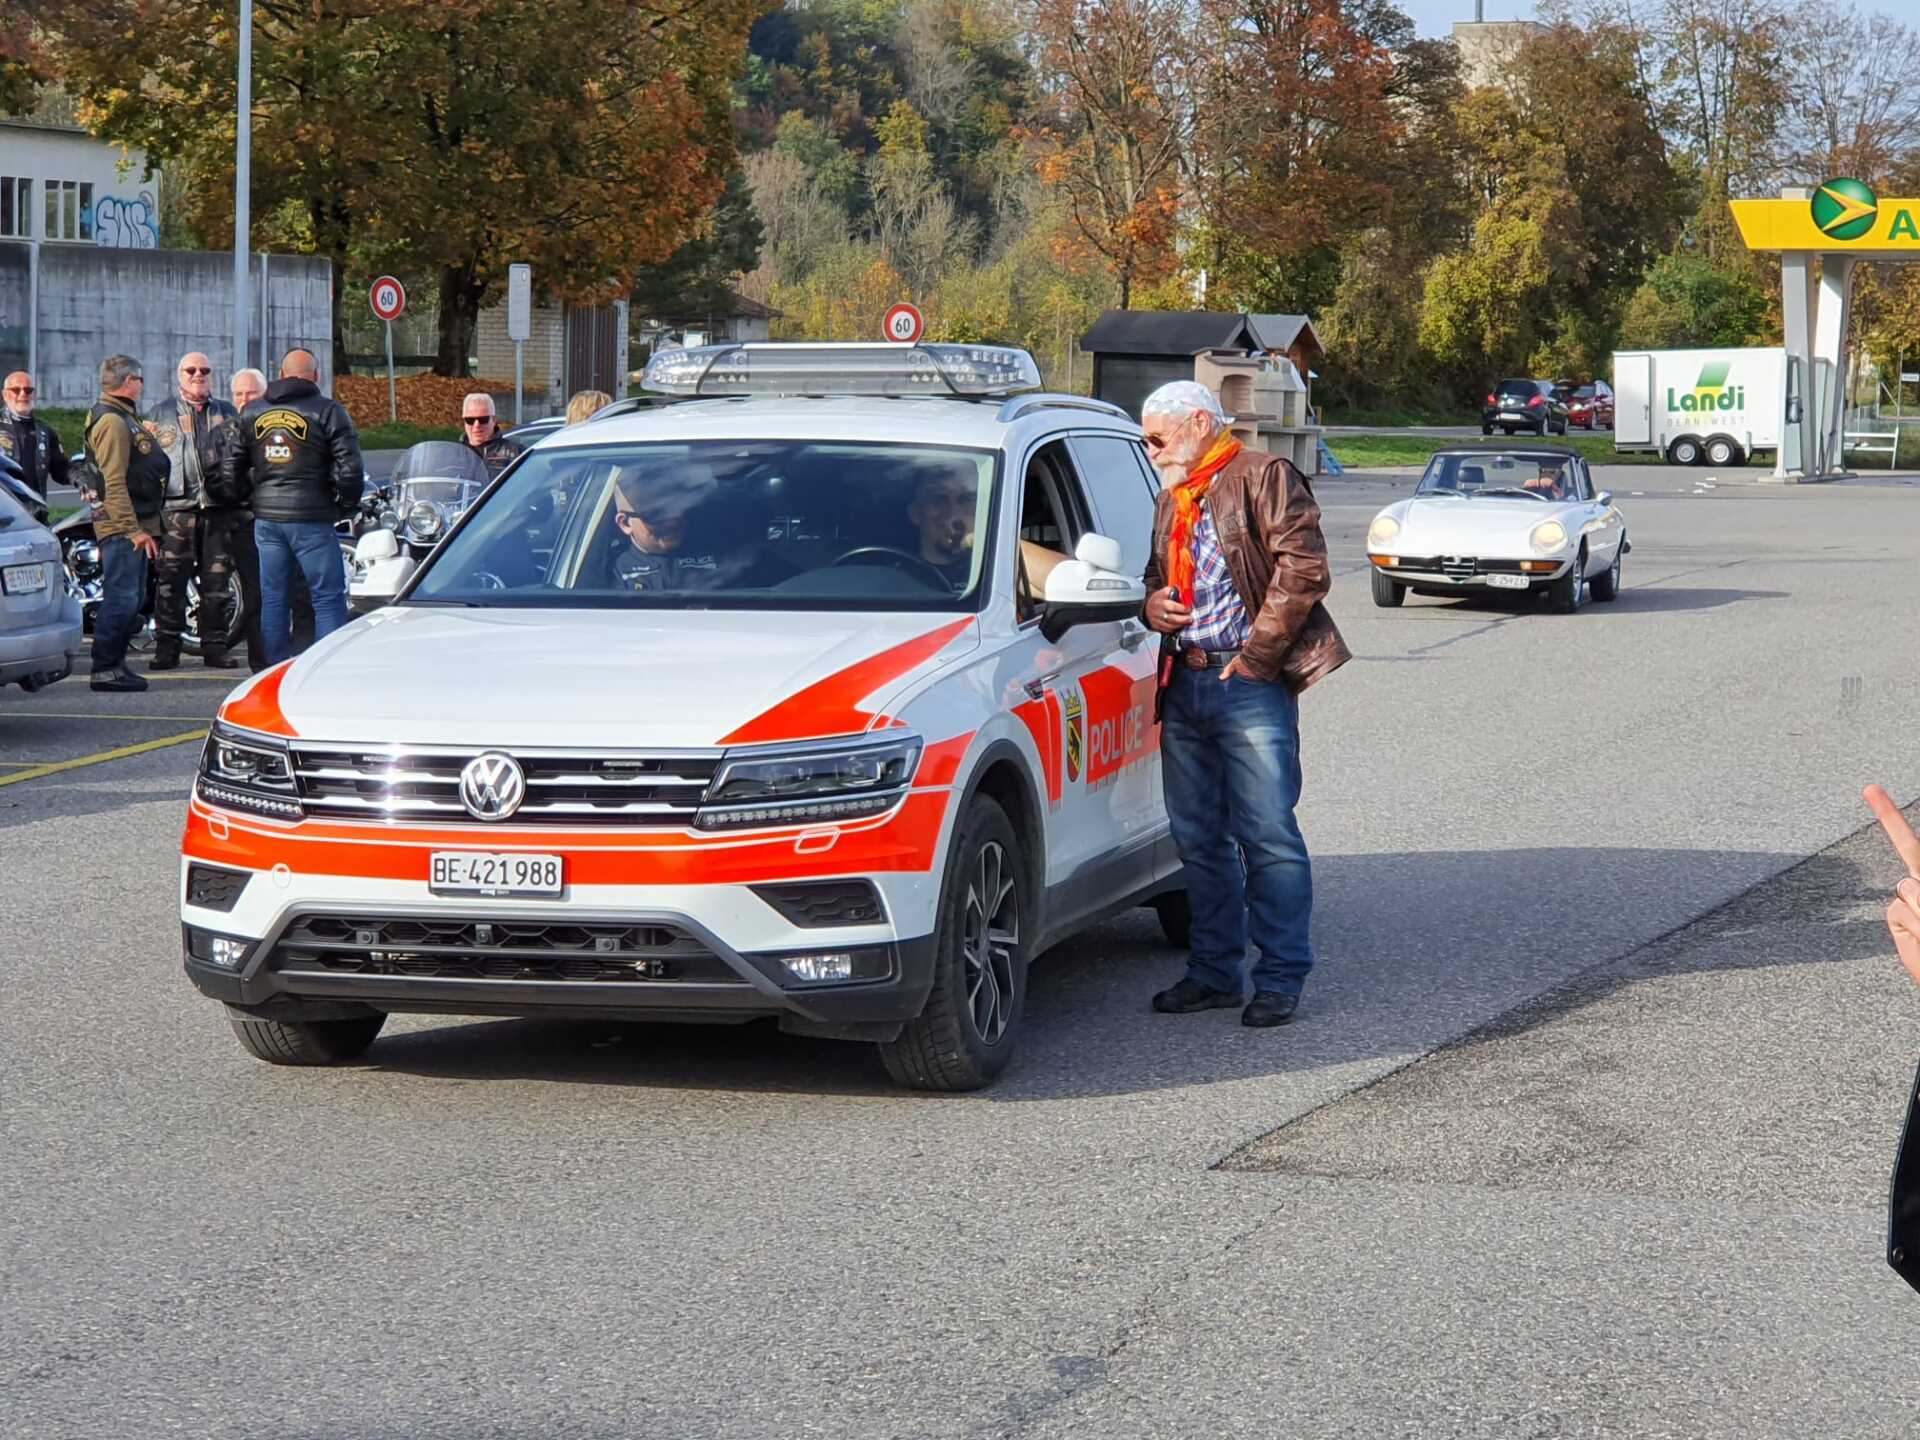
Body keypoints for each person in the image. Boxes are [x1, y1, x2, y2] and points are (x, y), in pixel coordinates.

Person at [1140, 380, 1351, 1028]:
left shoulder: (1264, 475)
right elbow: (1154, 578)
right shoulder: (1173, 496)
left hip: (1247, 679)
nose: (1150, 450)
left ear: (1200, 423)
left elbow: (1304, 570)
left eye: (1157, 437)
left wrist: (1257, 658)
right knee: (1198, 838)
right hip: (1185, 680)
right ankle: (1213, 974)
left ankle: (1281, 977)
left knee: (1267, 835)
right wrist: (1152, 606)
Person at [215, 348, 362, 665]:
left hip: (267, 521)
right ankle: (328, 669)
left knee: (274, 598)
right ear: (316, 375)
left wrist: (250, 498)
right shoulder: (328, 411)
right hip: (312, 517)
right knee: (326, 597)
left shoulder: (253, 411)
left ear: (280, 375)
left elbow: (230, 468)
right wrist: (344, 506)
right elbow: (350, 470)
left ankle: (274, 670)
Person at [146, 352, 243, 669]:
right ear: (179, 375)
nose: (198, 374)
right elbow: (145, 464)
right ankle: (166, 649)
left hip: (218, 510)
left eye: (204, 370)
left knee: (217, 584)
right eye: (191, 370)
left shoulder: (227, 413)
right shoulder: (159, 413)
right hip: (176, 511)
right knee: (170, 583)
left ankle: (215, 647)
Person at [84, 355, 168, 693]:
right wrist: (133, 530)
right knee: (122, 597)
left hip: (134, 522)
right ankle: (105, 668)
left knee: (132, 597)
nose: (142, 386)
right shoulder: (112, 422)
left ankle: (115, 665)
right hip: (122, 527)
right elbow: (112, 482)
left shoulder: (122, 417)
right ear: (129, 382)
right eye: (140, 380)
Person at [0, 371, 70, 501]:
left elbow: (61, 469)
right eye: (16, 390)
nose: (23, 394)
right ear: (5, 395)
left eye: (28, 390)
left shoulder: (45, 432)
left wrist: (82, 478)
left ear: (34, 395)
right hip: (5, 509)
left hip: (35, 509)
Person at [461, 393, 524, 476]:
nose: (477, 425)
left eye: (483, 419)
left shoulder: (517, 453)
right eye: (470, 420)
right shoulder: (454, 454)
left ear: (494, 420)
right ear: (464, 421)